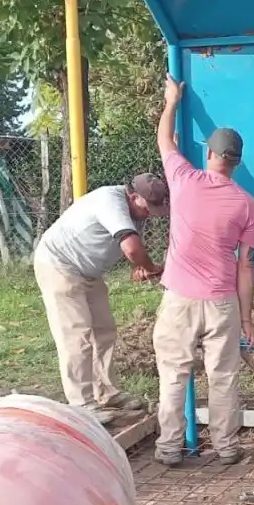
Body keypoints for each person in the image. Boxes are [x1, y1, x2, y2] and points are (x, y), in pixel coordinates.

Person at [152, 73, 254, 467]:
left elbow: (165, 140)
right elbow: (245, 265)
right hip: (222, 302)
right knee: (224, 377)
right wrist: (247, 318)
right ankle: (227, 447)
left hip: (180, 298)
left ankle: (168, 448)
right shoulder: (249, 206)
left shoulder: (183, 179)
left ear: (210, 154)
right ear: (237, 162)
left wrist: (172, 101)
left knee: (173, 376)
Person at [33, 174, 168, 425]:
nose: (151, 214)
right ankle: (81, 404)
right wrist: (149, 266)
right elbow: (132, 249)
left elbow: (129, 251)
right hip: (60, 264)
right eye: (148, 207)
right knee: (76, 335)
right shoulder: (110, 201)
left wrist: (139, 266)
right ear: (133, 196)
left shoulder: (135, 210)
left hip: (88, 271)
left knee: (104, 330)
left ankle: (106, 392)